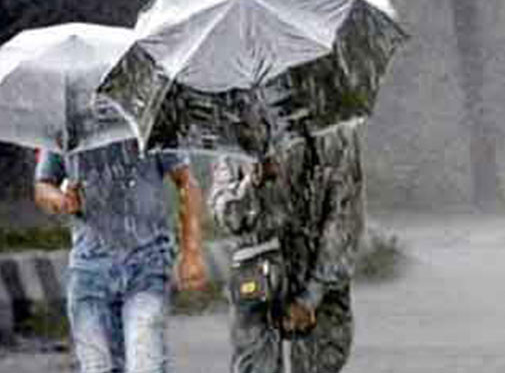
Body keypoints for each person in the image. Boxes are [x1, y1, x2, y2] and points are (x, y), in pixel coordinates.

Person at [34, 141, 208, 373]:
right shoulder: (66, 130)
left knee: (145, 363)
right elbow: (43, 186)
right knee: (97, 367)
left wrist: (192, 252)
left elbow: (186, 182)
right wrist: (60, 200)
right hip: (89, 272)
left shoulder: (147, 123)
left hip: (146, 265)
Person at [210, 118, 365, 373]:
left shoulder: (334, 130)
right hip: (257, 277)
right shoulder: (235, 132)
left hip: (319, 276)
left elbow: (345, 219)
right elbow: (226, 215)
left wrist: (311, 296)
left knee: (321, 360)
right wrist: (252, 184)